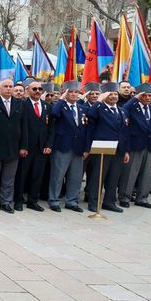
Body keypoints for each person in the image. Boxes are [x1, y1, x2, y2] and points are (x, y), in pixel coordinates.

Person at [0, 79, 28, 214]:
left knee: (9, 178)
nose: (8, 89)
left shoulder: (20, 104)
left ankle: (5, 202)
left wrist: (24, 146)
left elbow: (24, 126)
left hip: (14, 147)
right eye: (5, 86)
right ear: (0, 89)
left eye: (10, 86)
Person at [85, 83, 130, 213]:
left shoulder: (122, 111)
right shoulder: (99, 108)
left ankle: (109, 202)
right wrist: (99, 100)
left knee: (114, 177)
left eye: (115, 94)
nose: (113, 96)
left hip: (118, 149)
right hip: (102, 148)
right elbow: (90, 115)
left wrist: (126, 151)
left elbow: (125, 132)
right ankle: (93, 202)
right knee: (98, 176)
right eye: (110, 94)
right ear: (104, 96)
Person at [47, 81, 89, 212]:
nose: (74, 94)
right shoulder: (60, 106)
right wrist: (61, 99)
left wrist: (86, 148)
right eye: (70, 92)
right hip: (62, 146)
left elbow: (86, 129)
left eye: (76, 92)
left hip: (78, 148)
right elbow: (53, 114)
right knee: (57, 176)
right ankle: (54, 200)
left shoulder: (82, 108)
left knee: (76, 177)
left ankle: (72, 201)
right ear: (65, 93)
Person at [120, 83, 151, 209]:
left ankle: (142, 198)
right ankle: (125, 197)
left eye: (150, 95)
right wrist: (135, 99)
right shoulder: (132, 107)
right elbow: (123, 111)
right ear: (139, 96)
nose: (148, 98)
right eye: (144, 95)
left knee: (147, 174)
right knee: (131, 173)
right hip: (135, 146)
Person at [15, 80, 51, 211]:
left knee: (37, 175)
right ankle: (18, 200)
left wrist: (48, 144)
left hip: (41, 148)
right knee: (22, 175)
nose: (37, 91)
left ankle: (33, 201)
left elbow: (51, 127)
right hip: (26, 147)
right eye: (34, 89)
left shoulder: (46, 106)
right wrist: (23, 146)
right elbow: (21, 127)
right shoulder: (22, 105)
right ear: (27, 91)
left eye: (40, 89)